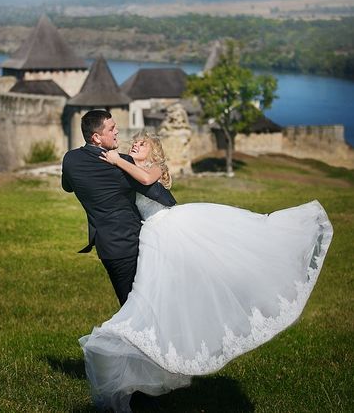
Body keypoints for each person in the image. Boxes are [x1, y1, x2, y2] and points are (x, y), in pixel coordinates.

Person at [79, 131, 333, 412]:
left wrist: (117, 160)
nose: (135, 145)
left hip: (170, 226)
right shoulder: (126, 166)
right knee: (154, 291)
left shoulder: (152, 168)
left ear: (153, 153)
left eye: (143, 144)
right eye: (135, 143)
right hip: (151, 234)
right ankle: (151, 344)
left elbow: (147, 180)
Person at [61, 110, 176, 306]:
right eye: (112, 128)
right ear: (97, 137)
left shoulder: (70, 159)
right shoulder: (122, 163)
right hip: (133, 243)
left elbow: (67, 186)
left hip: (107, 247)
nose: (117, 131)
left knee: (128, 304)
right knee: (145, 306)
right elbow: (156, 192)